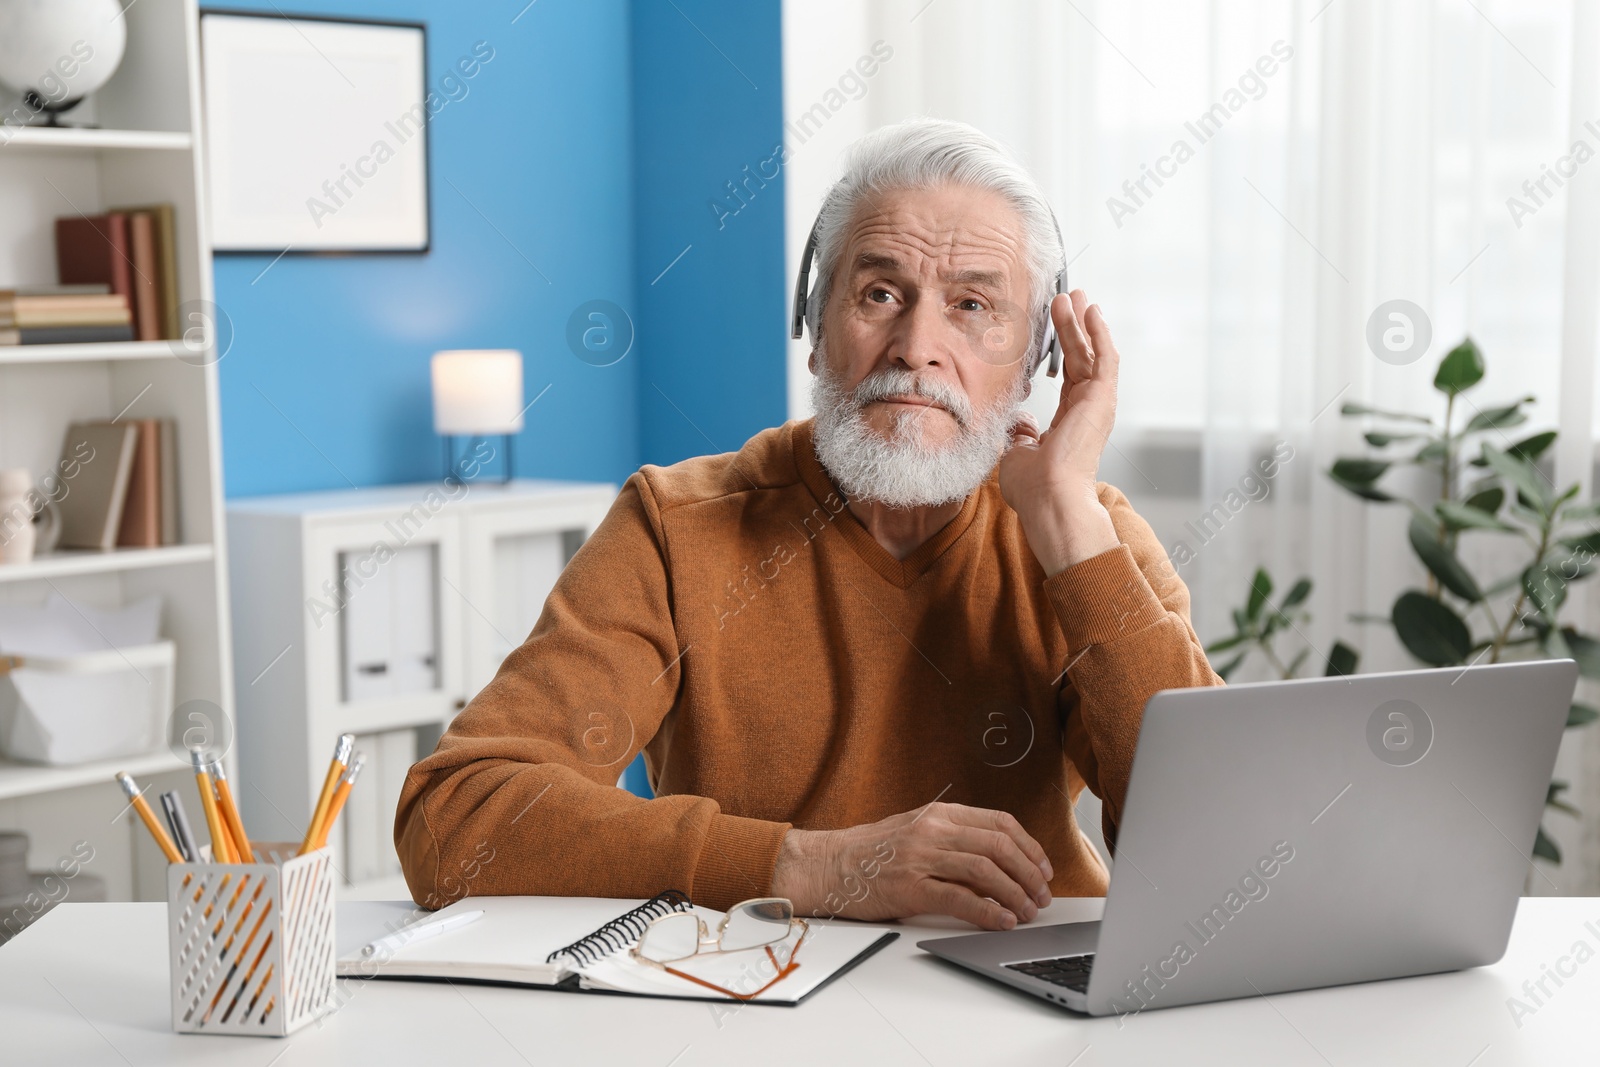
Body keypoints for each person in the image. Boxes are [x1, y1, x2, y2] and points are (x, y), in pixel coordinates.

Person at [397, 117, 1221, 930]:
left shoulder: (1082, 531)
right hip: (753, 1007)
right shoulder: (675, 527)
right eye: (880, 294)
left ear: (1038, 359)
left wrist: (1069, 525)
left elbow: (1214, 848)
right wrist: (810, 866)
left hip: (1030, 1007)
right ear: (816, 330)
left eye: (973, 304)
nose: (916, 346)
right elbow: (454, 818)